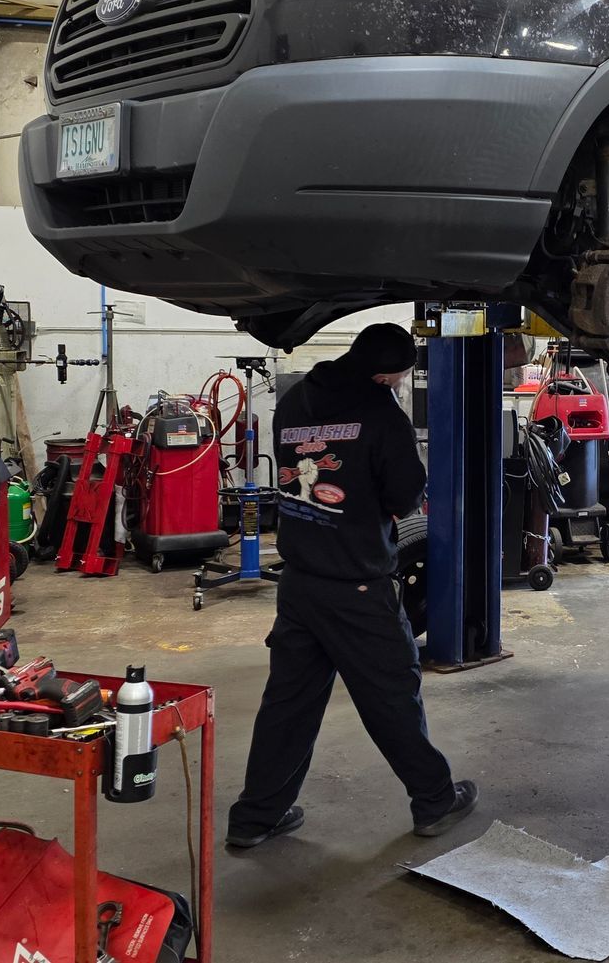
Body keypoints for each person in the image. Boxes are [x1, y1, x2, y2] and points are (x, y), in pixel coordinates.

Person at [226, 323, 478, 848]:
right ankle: (434, 799)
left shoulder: (295, 399)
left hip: (298, 581)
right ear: (385, 375)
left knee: (288, 703)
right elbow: (406, 496)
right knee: (391, 694)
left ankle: (256, 817)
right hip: (358, 584)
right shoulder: (384, 414)